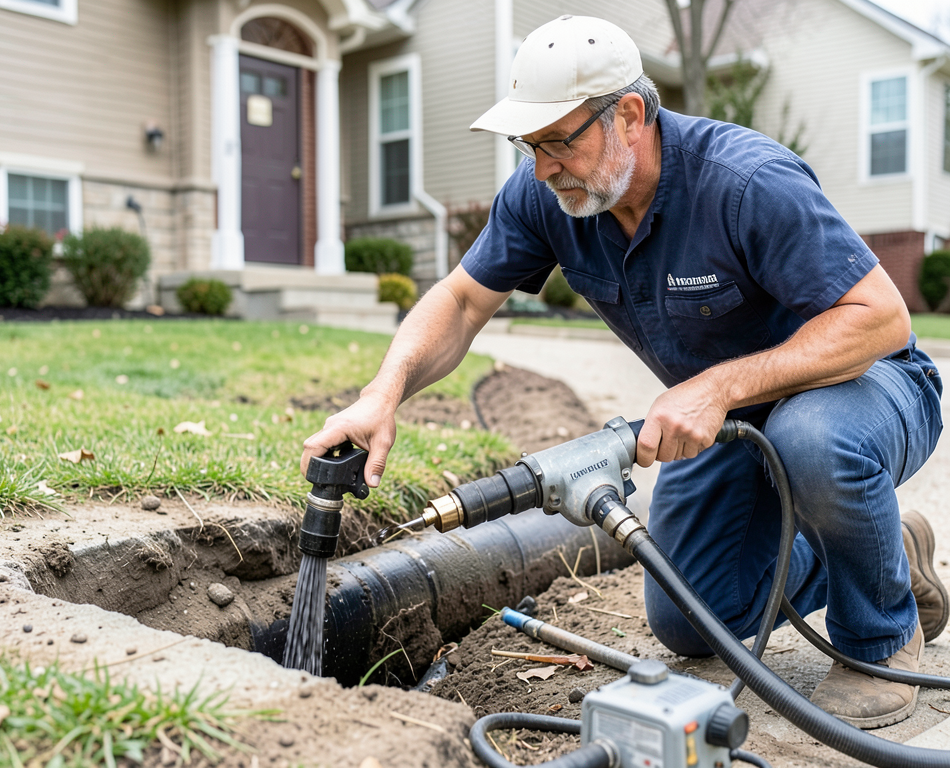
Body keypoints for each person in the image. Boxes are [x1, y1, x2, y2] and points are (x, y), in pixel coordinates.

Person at [303, 15, 945, 728]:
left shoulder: (745, 180)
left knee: (810, 439)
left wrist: (718, 385)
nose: (543, 166)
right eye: (531, 145)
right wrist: (381, 395)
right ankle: (888, 547)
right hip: (731, 420)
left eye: (559, 141)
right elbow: (459, 302)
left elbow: (881, 318)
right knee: (691, 618)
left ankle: (881, 637)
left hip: (863, 389)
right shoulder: (550, 198)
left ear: (631, 115)